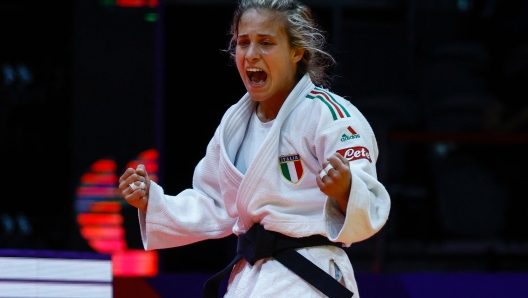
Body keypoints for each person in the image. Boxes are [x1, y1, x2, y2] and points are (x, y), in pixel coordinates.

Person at [119, 0, 390, 297]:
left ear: (296, 52)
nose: (251, 55)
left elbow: (372, 202)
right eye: (243, 42)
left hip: (310, 277)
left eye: (266, 43)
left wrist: (346, 190)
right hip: (250, 278)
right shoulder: (235, 125)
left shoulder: (331, 116)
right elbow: (215, 202)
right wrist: (154, 202)